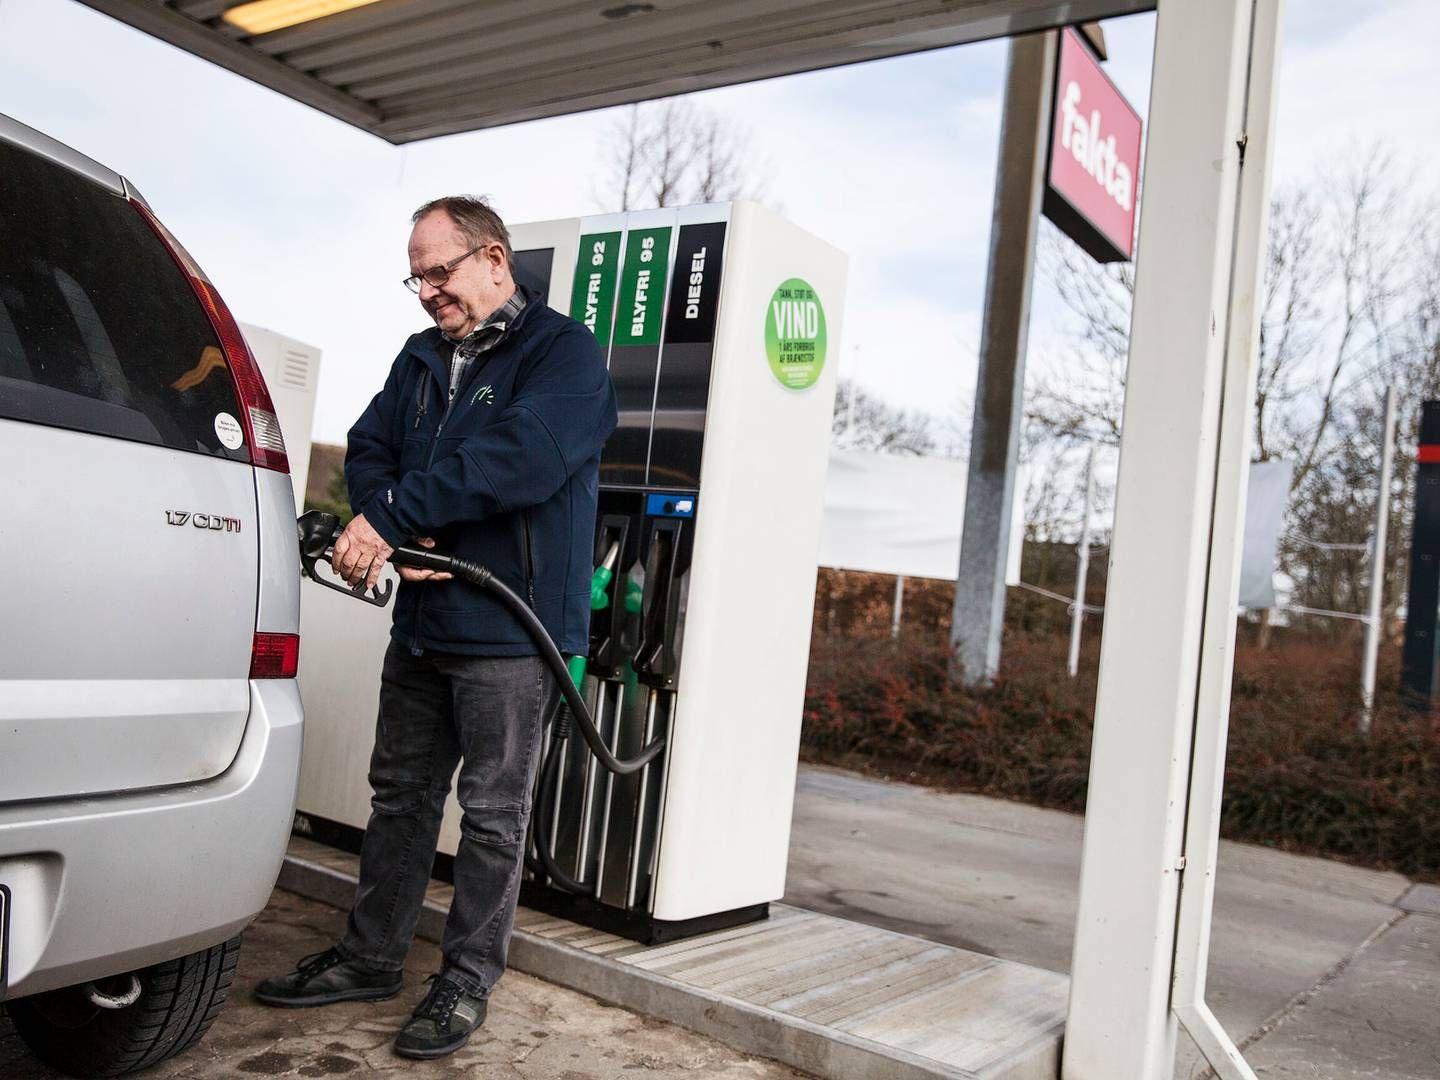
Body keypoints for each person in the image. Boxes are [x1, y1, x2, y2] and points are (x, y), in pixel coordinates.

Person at [256, 196, 617, 1060]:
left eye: (439, 271)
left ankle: (464, 980)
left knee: (493, 815)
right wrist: (392, 516)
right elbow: (369, 443)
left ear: (494, 258)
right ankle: (371, 955)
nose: (425, 292)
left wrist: (392, 522)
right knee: (401, 798)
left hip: (508, 625)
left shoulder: (563, 355)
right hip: (424, 619)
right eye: (415, 277)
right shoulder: (422, 357)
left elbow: (519, 460)